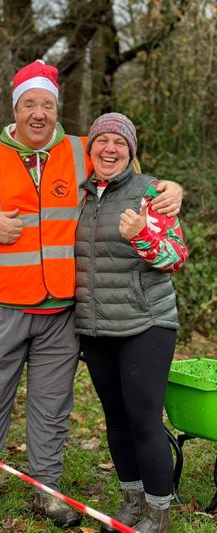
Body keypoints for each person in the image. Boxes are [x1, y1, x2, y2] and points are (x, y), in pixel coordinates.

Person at [0, 60, 183, 529]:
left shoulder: (82, 150)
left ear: (56, 110)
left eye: (46, 105)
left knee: (52, 409)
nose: (38, 113)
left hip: (62, 312)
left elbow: (132, 173)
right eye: (29, 103)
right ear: (15, 108)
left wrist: (173, 189)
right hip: (3, 307)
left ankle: (46, 492)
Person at [75, 113, 188, 533]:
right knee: (116, 418)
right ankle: (132, 500)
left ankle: (158, 513)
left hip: (146, 323)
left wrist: (143, 233)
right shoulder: (82, 196)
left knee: (143, 418)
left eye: (119, 142)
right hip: (97, 326)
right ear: (90, 150)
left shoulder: (150, 193)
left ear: (131, 151)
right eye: (101, 140)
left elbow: (174, 257)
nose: (109, 148)